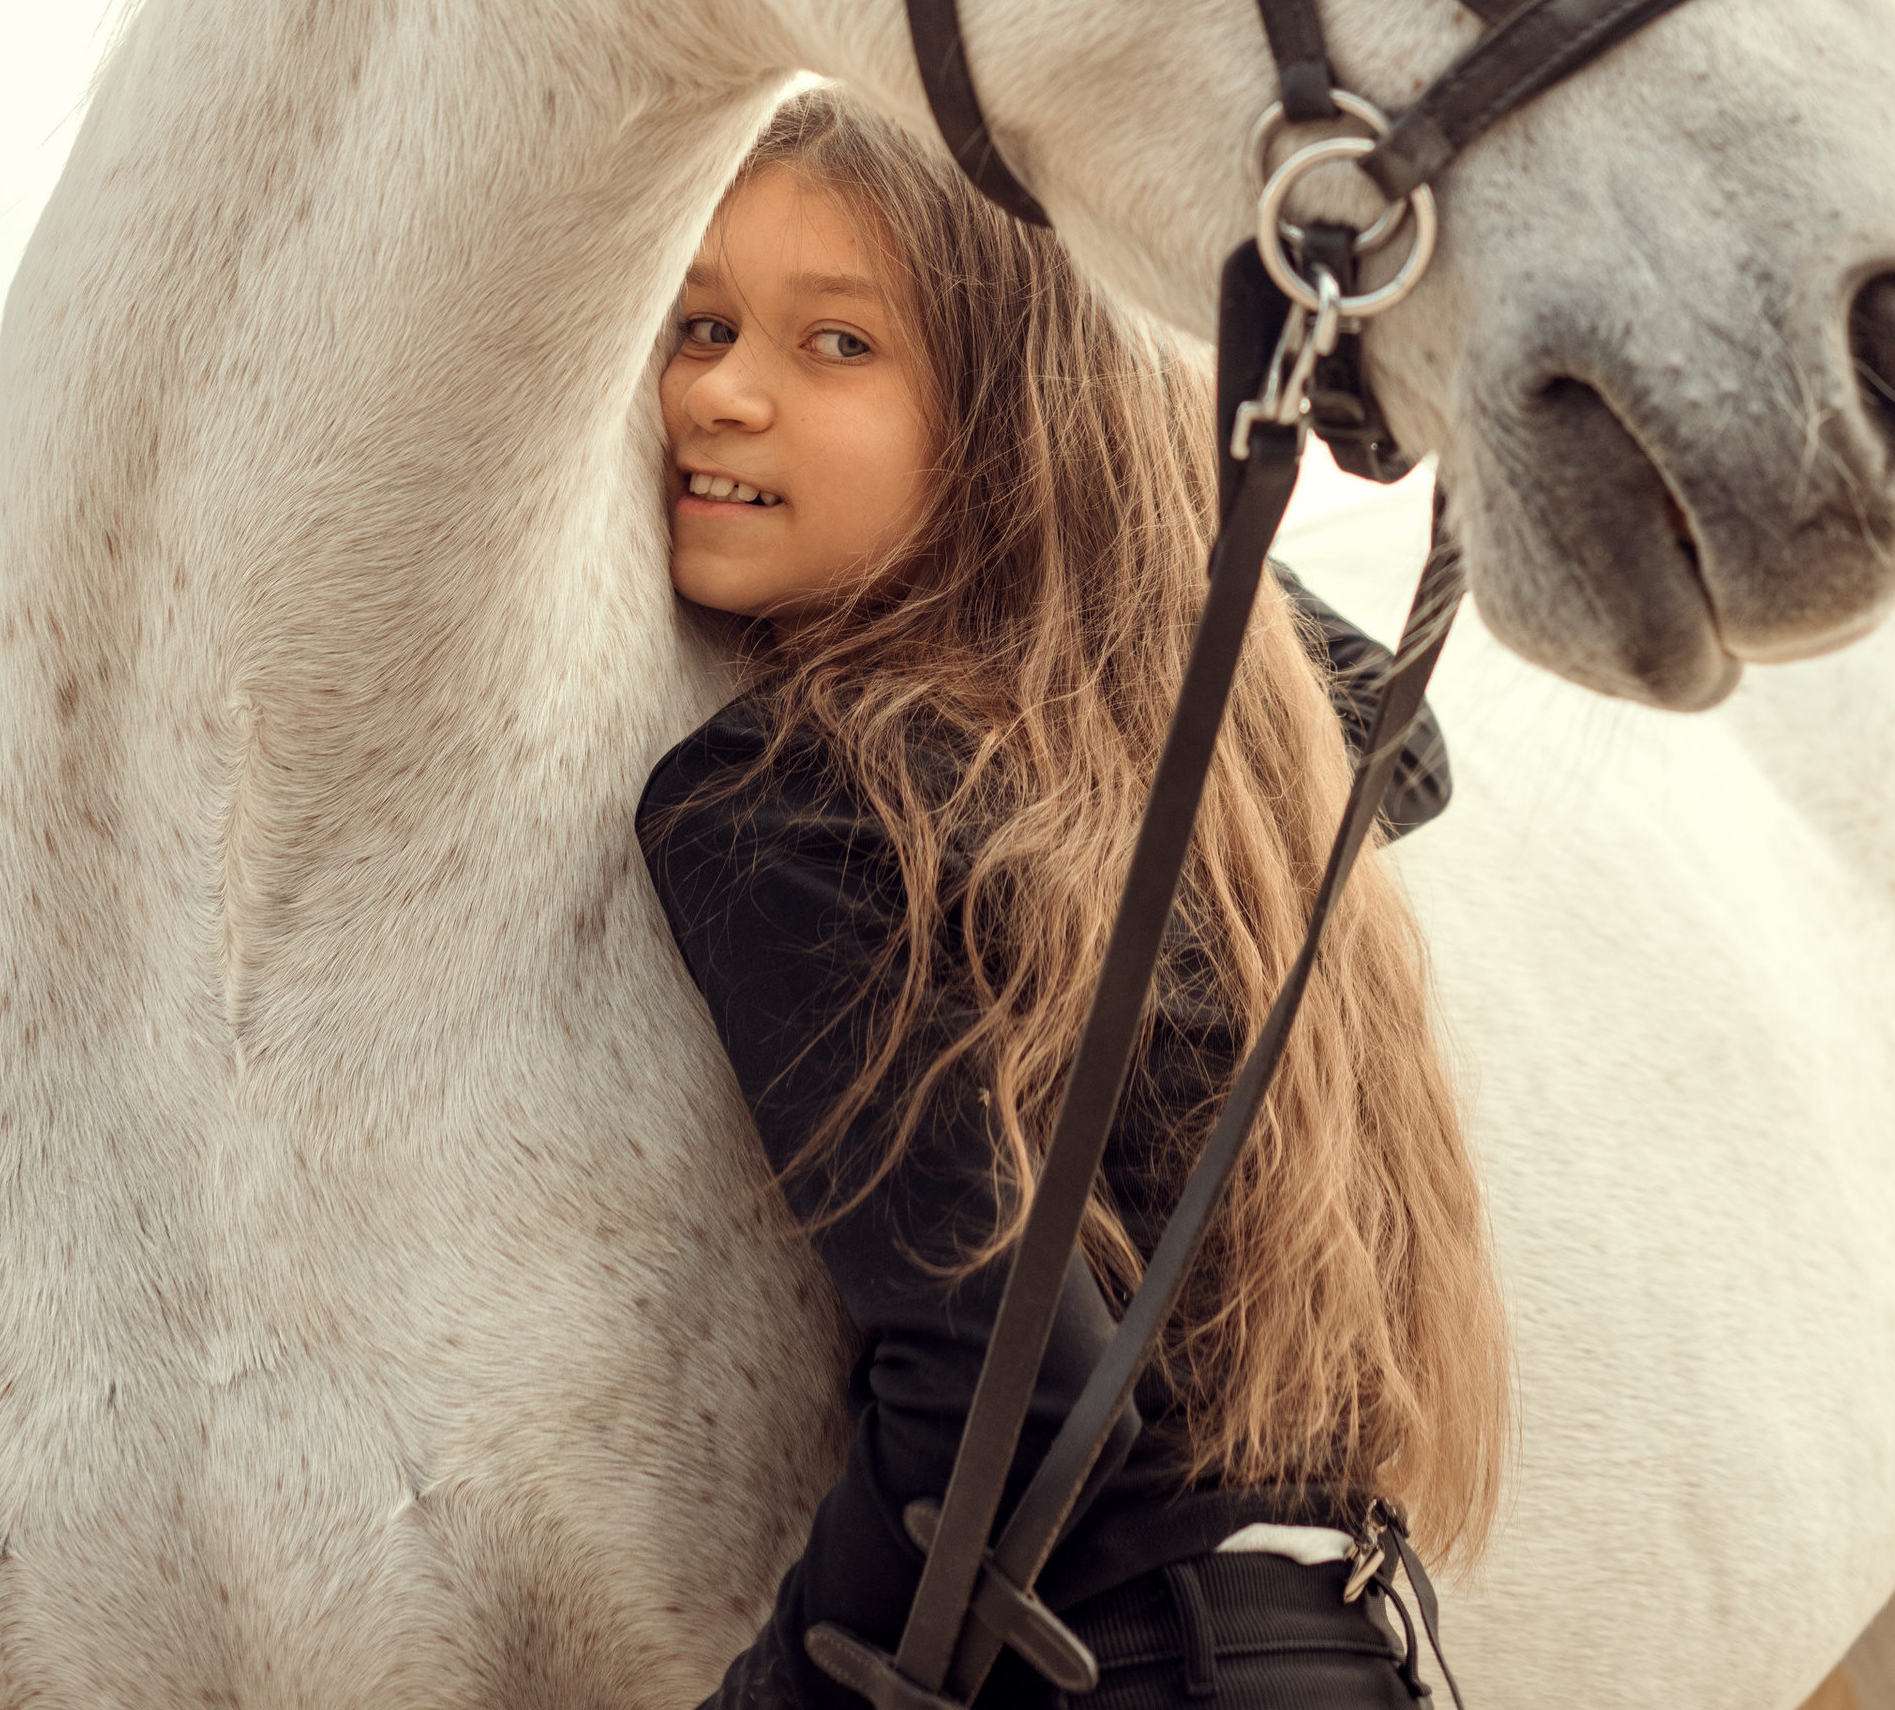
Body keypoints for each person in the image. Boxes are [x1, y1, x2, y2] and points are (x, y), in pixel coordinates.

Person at [638, 87, 1509, 1710]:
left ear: (1004, 423)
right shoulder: (1220, 812)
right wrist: (1128, 477)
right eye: (698, 322)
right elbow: (1400, 732)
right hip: (1346, 1659)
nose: (723, 396)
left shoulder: (786, 801)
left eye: (837, 346)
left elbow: (1009, 1397)